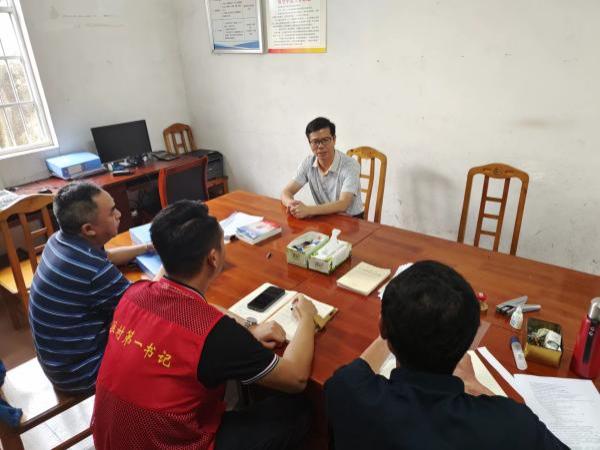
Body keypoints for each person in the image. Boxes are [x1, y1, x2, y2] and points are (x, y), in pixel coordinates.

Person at [92, 200, 317, 450]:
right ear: (213, 258)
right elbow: (296, 378)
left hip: (109, 440)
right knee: (297, 410)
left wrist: (248, 328)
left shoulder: (134, 295)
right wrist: (308, 317)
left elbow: (198, 314)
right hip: (169, 444)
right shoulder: (217, 335)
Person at [325, 260, 568, 450]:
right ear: (469, 342)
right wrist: (475, 385)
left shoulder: (347, 391)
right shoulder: (512, 426)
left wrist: (393, 322)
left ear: (382, 327)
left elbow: (356, 370)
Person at [28, 181, 156, 394]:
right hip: (82, 373)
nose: (119, 214)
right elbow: (145, 307)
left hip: (58, 361)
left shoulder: (58, 241)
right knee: (159, 335)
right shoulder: (94, 270)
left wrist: (146, 247)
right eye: (112, 212)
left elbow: (108, 256)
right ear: (88, 229)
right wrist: (169, 262)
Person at [281, 117, 364, 219]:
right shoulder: (309, 162)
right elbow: (286, 192)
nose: (320, 146)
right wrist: (291, 204)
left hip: (351, 220)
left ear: (334, 140)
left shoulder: (350, 165)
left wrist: (308, 210)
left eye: (325, 140)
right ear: (309, 143)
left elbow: (343, 204)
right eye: (315, 141)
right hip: (324, 217)